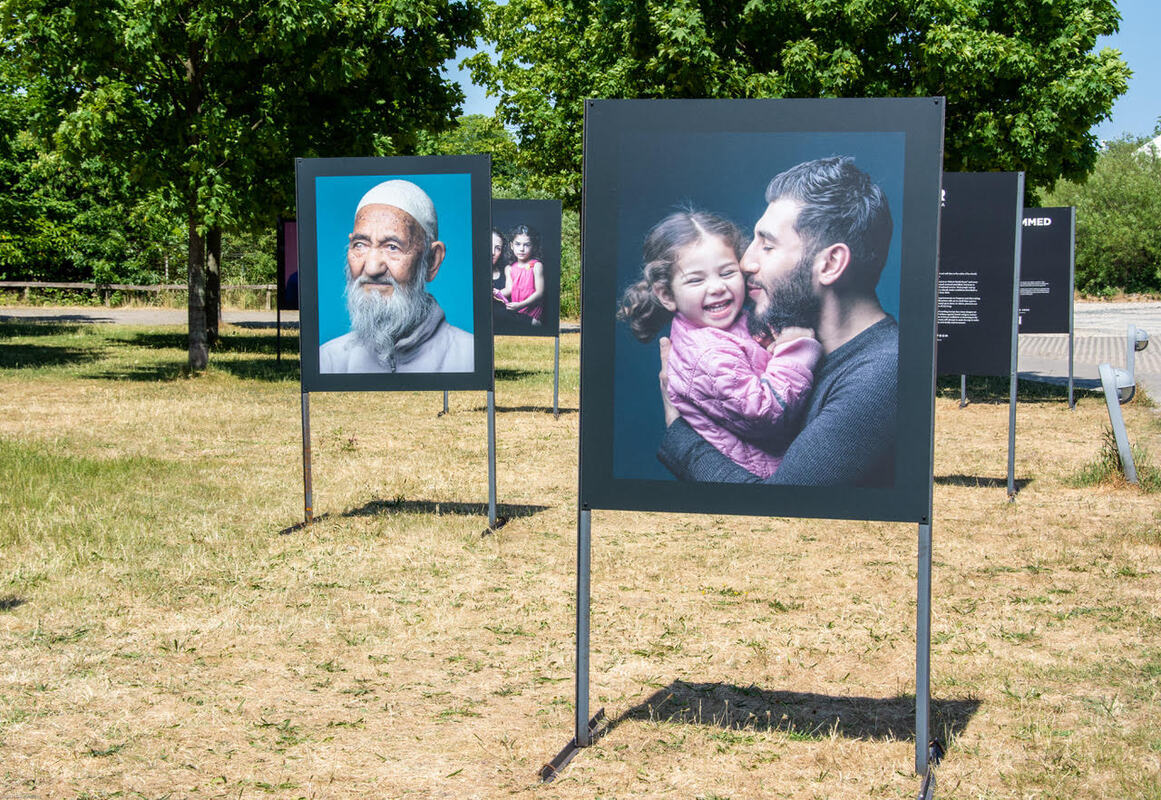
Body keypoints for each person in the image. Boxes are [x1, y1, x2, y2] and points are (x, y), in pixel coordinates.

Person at [657, 156, 898, 486]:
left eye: (766, 246)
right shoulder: (793, 350)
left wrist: (678, 432)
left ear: (829, 264)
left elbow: (781, 504)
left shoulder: (884, 373)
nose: (745, 262)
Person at [618, 210, 821, 479]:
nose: (716, 287)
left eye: (727, 272)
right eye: (696, 279)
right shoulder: (705, 353)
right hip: (756, 479)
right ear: (667, 295)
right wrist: (795, 352)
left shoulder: (733, 323)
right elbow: (762, 412)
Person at [319, 179, 474, 373]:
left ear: (432, 260)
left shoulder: (469, 358)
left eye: (392, 247)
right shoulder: (328, 362)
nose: (373, 268)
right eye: (360, 245)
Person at [497, 224, 545, 325]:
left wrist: (521, 305)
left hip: (533, 314)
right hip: (516, 313)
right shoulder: (509, 268)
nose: (521, 249)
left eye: (526, 245)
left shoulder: (536, 266)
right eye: (518, 244)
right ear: (511, 245)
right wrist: (496, 293)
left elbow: (540, 293)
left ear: (533, 246)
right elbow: (509, 289)